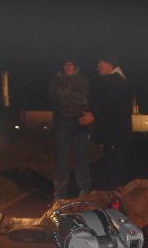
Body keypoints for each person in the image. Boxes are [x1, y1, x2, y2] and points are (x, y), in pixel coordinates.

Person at [79, 54, 132, 190]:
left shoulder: (115, 82)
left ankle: (116, 199)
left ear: (109, 64)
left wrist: (94, 116)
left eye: (100, 63)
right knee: (116, 169)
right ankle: (116, 197)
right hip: (117, 135)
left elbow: (112, 107)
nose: (97, 66)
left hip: (116, 134)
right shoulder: (118, 80)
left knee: (115, 170)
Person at [48, 59, 92, 200]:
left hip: (80, 122)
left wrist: (66, 94)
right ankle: (60, 195)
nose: (68, 67)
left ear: (76, 66)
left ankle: (84, 192)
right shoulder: (56, 80)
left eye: (71, 64)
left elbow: (84, 99)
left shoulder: (83, 80)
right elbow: (53, 98)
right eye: (66, 64)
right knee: (61, 160)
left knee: (82, 158)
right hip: (62, 122)